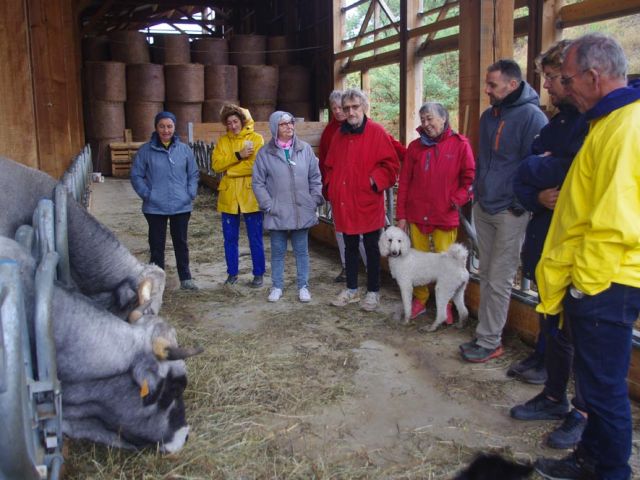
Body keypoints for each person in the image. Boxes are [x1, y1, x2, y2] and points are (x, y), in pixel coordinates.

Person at [533, 34, 640, 480]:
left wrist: (584, 283)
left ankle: (611, 470)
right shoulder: (607, 121)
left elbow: (614, 221)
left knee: (605, 388)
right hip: (600, 278)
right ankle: (590, 459)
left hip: (605, 281)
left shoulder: (625, 127)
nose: (564, 87)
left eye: (568, 78)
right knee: (595, 386)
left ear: (594, 76)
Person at [508, 40, 589, 451]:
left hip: (579, 247)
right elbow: (525, 176)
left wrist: (534, 164)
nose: (550, 89)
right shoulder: (556, 124)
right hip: (544, 240)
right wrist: (536, 192)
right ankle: (554, 396)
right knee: (553, 324)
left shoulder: (592, 123)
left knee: (578, 332)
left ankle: (583, 412)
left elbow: (569, 168)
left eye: (554, 79)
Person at [459, 59, 548, 363]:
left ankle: (490, 340)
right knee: (485, 274)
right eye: (486, 83)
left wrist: (520, 203)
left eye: (492, 85)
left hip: (511, 211)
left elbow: (536, 167)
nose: (487, 90)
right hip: (484, 206)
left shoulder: (532, 118)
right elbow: (484, 158)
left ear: (512, 85)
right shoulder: (488, 117)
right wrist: (476, 191)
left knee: (499, 278)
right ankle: (485, 333)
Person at [395, 101, 475, 325]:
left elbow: (470, 179)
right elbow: (404, 184)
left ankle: (446, 304)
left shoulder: (460, 145)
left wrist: (455, 200)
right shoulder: (414, 147)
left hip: (444, 215)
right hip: (416, 214)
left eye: (430, 118)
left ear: (443, 118)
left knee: (446, 261)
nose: (426, 123)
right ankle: (421, 299)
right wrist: (401, 215)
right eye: (422, 120)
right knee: (416, 260)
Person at [324, 88, 400, 311]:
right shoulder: (339, 135)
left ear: (364, 107)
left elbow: (391, 166)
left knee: (371, 247)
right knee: (349, 246)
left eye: (355, 107)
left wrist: (372, 182)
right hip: (345, 201)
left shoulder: (377, 132)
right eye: (346, 108)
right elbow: (329, 165)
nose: (350, 112)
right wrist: (332, 187)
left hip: (367, 200)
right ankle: (352, 289)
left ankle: (373, 291)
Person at [252, 111, 324, 302]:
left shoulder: (305, 149)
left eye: (291, 123)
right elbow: (257, 182)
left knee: (302, 251)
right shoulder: (265, 153)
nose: (289, 127)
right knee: (277, 252)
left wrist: (314, 199)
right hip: (278, 212)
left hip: (302, 210)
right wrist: (268, 205)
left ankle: (303, 286)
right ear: (275, 127)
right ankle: (277, 286)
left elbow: (315, 177)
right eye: (283, 124)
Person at [130, 111, 200, 290]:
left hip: (181, 205)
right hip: (154, 207)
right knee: (156, 244)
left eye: (169, 126)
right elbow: (136, 175)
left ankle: (186, 278)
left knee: (181, 243)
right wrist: (148, 194)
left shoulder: (184, 150)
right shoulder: (146, 150)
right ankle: (156, 280)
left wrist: (190, 193)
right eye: (162, 126)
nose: (166, 130)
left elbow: (193, 173)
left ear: (174, 127)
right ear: (156, 127)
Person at [212, 104, 266, 287]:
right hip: (229, 197)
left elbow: (256, 166)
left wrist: (231, 172)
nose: (233, 125)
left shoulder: (257, 139)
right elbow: (216, 165)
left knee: (255, 237)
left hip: (250, 195)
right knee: (229, 239)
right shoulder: (223, 141)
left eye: (235, 121)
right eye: (229, 123)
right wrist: (238, 155)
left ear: (242, 121)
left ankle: (258, 274)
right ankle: (232, 274)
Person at [319, 89, 367, 283]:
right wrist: (327, 187)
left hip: (360, 189)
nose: (339, 111)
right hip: (339, 190)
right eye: (335, 108)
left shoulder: (366, 127)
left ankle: (368, 266)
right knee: (341, 231)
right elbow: (325, 162)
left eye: (343, 108)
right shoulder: (330, 132)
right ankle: (348, 266)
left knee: (363, 231)